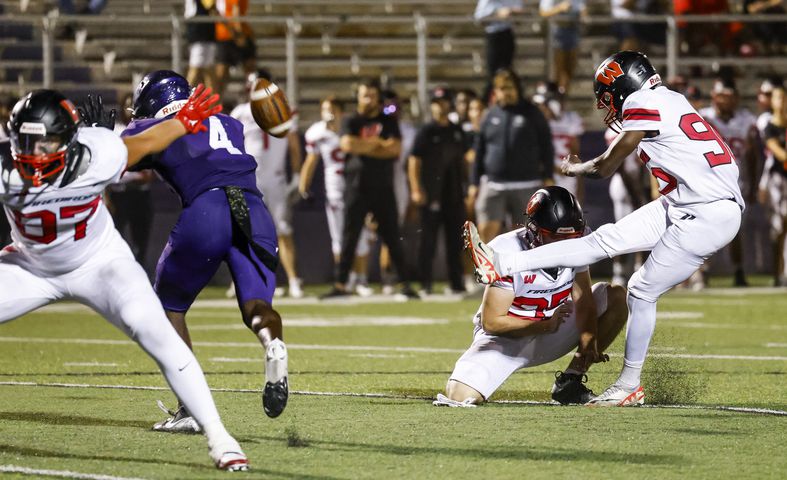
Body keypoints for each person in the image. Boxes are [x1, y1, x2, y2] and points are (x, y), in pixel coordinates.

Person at [465, 51, 744, 406]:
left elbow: (606, 166)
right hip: (686, 202)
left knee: (640, 290)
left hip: (706, 213)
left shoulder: (643, 101)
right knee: (601, 241)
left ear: (626, 84)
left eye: (607, 93)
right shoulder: (672, 99)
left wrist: (575, 170)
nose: (605, 104)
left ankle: (629, 385)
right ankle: (501, 264)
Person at [0, 87, 249, 470]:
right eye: (28, 143)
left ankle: (220, 436)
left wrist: (184, 121)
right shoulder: (4, 168)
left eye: (47, 142)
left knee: (157, 334)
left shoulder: (98, 153)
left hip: (99, 262)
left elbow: (152, 138)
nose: (37, 154)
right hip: (30, 266)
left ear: (69, 139)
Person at [122, 70, 289, 429]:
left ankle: (190, 409)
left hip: (207, 208)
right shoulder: (229, 123)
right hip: (253, 210)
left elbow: (126, 159)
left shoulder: (156, 125)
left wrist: (109, 133)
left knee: (168, 307)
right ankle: (273, 345)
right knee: (257, 307)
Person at [435, 187, 628, 407]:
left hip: (555, 327)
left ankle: (571, 382)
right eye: (554, 236)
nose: (563, 244)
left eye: (571, 237)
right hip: (506, 340)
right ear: (534, 230)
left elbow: (583, 296)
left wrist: (588, 337)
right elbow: (492, 322)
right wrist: (543, 325)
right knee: (459, 395)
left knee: (615, 296)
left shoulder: (579, 238)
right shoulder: (506, 250)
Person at [321, 78, 417, 299]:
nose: (368, 99)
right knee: (349, 235)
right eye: (365, 95)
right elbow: (347, 144)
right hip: (356, 185)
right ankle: (341, 284)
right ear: (358, 96)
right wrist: (376, 143)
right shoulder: (350, 120)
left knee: (392, 235)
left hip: (383, 186)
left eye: (372, 95)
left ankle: (404, 283)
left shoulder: (389, 121)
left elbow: (394, 149)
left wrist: (363, 147)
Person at [231, 69, 304, 298]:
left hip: (277, 178)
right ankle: (244, 281)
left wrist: (297, 173)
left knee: (283, 229)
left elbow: (293, 144)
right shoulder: (240, 112)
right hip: (251, 179)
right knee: (246, 231)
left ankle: (293, 281)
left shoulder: (284, 108)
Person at [470, 68, 554, 242]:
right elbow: (480, 150)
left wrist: (548, 175)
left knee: (524, 235)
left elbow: (546, 145)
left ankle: (522, 269)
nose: (506, 92)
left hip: (526, 183)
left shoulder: (532, 113)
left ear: (517, 89)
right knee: (486, 230)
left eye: (509, 88)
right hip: (494, 184)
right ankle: (488, 269)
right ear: (496, 91)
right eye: (501, 89)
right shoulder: (490, 115)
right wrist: (474, 181)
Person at [300, 95, 373, 296]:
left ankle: (362, 279)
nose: (328, 113)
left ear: (341, 111)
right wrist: (303, 185)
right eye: (325, 108)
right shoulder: (317, 132)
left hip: (356, 186)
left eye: (332, 108)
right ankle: (346, 278)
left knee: (361, 237)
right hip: (334, 190)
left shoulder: (352, 128)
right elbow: (311, 160)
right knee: (339, 239)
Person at [698, 78, 759, 287]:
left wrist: (753, 184)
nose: (726, 101)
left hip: (737, 184)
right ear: (714, 97)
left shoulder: (746, 120)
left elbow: (751, 155)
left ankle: (738, 271)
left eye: (730, 96)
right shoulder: (702, 118)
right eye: (722, 96)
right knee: (703, 230)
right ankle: (700, 273)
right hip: (708, 183)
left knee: (735, 231)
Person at [407, 88, 467, 295]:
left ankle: (456, 283)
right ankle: (425, 283)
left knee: (456, 241)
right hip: (431, 193)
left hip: (454, 193)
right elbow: (414, 160)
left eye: (443, 101)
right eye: (436, 102)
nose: (439, 106)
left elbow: (465, 160)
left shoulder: (457, 131)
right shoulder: (426, 131)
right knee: (428, 241)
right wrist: (416, 188)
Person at [108, 93, 154, 267]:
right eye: (127, 106)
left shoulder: (147, 130)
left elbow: (149, 172)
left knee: (140, 240)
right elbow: (113, 167)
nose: (130, 111)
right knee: (114, 239)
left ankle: (140, 272)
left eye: (133, 106)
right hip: (119, 194)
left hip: (141, 194)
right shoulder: (115, 131)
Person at [533, 81, 584, 200]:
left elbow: (575, 153)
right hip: (541, 175)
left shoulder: (571, 119)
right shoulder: (536, 122)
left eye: (543, 104)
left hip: (565, 176)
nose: (540, 107)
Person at [759, 86, 787, 286]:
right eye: (779, 98)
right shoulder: (770, 127)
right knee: (779, 227)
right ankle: (777, 272)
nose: (782, 102)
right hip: (779, 181)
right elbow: (777, 152)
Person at [474, 0, 523, 101]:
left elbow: (520, 18)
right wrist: (497, 14)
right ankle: (486, 101)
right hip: (493, 35)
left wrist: (513, 13)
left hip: (507, 34)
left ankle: (510, 99)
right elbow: (479, 18)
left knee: (507, 72)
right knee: (493, 73)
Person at [538, 0, 586, 94]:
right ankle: (557, 96)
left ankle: (563, 97)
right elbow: (543, 13)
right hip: (555, 32)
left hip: (573, 31)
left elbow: (582, 9)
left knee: (569, 69)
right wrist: (559, 8)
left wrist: (583, 16)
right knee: (559, 70)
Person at [214, 0, 256, 95]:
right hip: (234, 34)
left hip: (223, 34)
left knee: (221, 76)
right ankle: (252, 101)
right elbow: (235, 13)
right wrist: (239, 33)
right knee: (250, 71)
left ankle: (216, 103)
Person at [185, 0, 217, 90]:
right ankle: (184, 100)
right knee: (195, 70)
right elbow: (211, 7)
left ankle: (213, 102)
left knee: (209, 71)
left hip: (205, 34)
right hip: (200, 33)